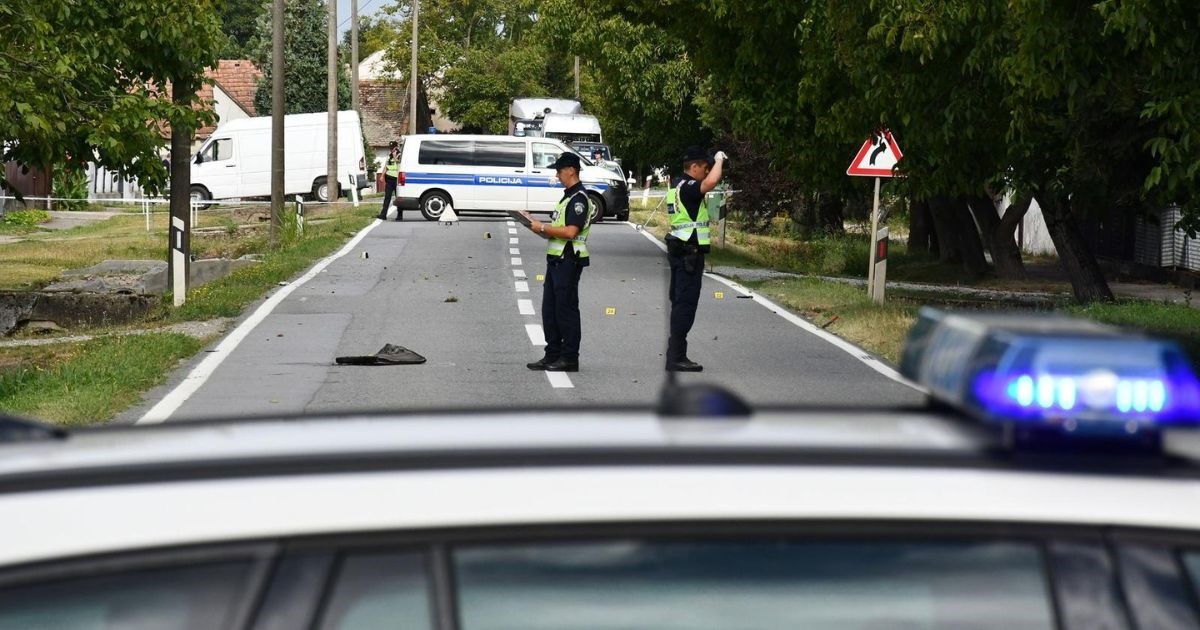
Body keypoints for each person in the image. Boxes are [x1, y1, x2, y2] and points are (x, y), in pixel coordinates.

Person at [522, 152, 594, 373]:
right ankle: (552, 354)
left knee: (566, 310)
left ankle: (570, 357)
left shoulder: (579, 199)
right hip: (556, 260)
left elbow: (571, 232)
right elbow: (557, 230)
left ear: (571, 170)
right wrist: (533, 223)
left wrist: (542, 228)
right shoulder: (567, 197)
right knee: (549, 310)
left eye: (560, 170)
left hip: (569, 261)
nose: (558, 174)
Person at [664, 146, 726, 372]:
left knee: (680, 303)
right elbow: (710, 183)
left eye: (710, 166)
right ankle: (676, 356)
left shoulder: (676, 186)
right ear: (693, 167)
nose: (707, 170)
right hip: (689, 254)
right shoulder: (690, 186)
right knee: (685, 306)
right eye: (705, 167)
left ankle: (676, 354)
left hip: (681, 251)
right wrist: (719, 160)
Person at [379, 141, 401, 220]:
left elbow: (399, 162)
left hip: (396, 179)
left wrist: (395, 156)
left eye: (393, 148)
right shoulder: (389, 155)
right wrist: (382, 175)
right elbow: (387, 166)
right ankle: (383, 214)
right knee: (387, 197)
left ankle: (399, 215)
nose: (391, 149)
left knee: (398, 198)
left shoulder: (399, 154)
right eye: (390, 148)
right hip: (389, 179)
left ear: (396, 147)